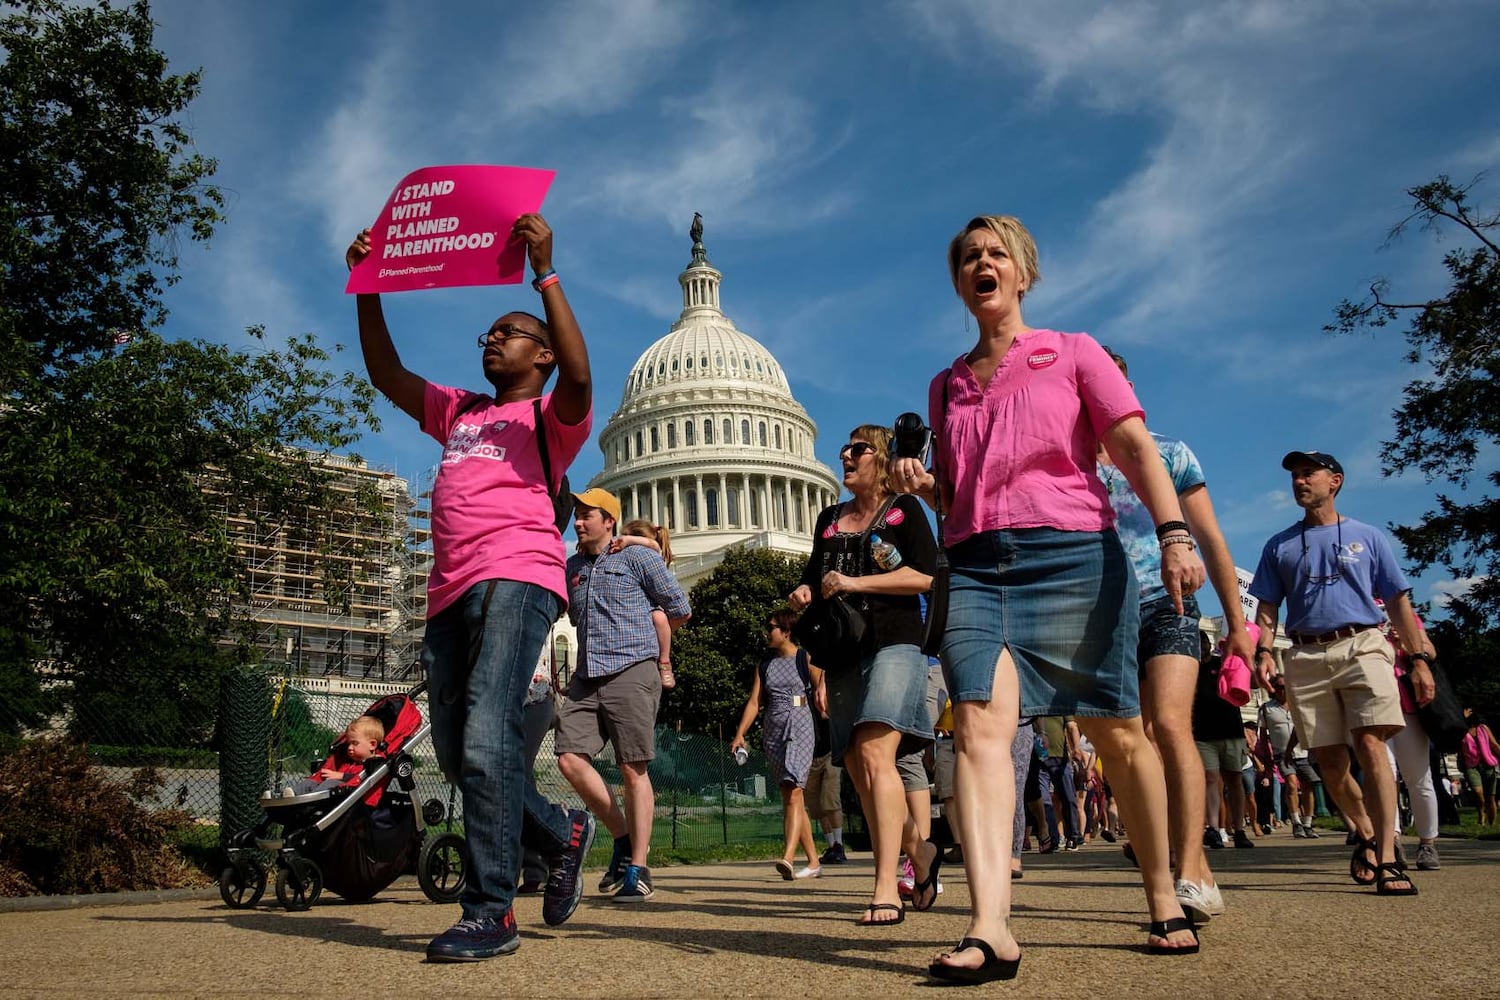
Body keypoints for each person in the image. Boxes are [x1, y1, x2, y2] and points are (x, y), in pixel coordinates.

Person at [895, 215, 1207, 983]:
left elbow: (1131, 446)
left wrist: (1174, 533)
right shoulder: (945, 385)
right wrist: (924, 486)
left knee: (1116, 732)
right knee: (976, 728)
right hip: (974, 564)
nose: (982, 264)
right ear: (959, 282)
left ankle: (1162, 890)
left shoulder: (1074, 352)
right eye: (969, 257)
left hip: (1071, 554)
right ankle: (990, 924)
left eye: (997, 253)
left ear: (1023, 274)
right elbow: (960, 491)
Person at [347, 215, 596, 961]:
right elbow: (388, 376)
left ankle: (492, 910)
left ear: (541, 354)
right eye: (486, 333)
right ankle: (560, 831)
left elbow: (583, 379)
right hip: (449, 593)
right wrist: (368, 288)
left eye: (508, 333)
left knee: (490, 737)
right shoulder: (459, 411)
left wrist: (544, 273)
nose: (491, 340)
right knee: (458, 755)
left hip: (518, 577)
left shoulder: (552, 418)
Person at [1096, 348, 1255, 921]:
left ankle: (1190, 866)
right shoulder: (1066, 465)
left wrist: (1239, 624)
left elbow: (1210, 538)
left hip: (1170, 601)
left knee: (1169, 723)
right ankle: (1174, 857)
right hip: (1101, 614)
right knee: (1126, 739)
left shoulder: (1170, 452)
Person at [1248, 450, 1436, 896]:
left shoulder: (1367, 537)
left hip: (1362, 644)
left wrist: (1419, 659)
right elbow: (1268, 606)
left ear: (1335, 481)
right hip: (1306, 653)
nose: (1299, 481)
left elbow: (1396, 601)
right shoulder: (1278, 545)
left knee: (1371, 741)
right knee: (1329, 761)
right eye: (1294, 475)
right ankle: (1369, 834)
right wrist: (1263, 650)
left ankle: (1389, 857)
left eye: (1308, 473)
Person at [789, 424, 938, 927]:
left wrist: (856, 581)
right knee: (856, 765)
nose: (846, 457)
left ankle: (884, 888)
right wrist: (805, 594)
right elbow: (813, 577)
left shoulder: (904, 510)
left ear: (881, 458)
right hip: (843, 651)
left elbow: (925, 575)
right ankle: (920, 851)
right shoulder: (830, 520)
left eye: (858, 450)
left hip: (895, 642)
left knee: (876, 753)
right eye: (844, 449)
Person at [558, 488, 691, 903]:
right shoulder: (573, 566)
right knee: (568, 758)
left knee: (633, 767)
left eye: (586, 515)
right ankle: (622, 834)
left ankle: (639, 866)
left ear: (609, 520)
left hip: (632, 669)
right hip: (587, 674)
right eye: (576, 515)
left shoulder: (638, 558)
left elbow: (680, 607)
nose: (578, 522)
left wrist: (649, 647)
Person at [731, 608, 824, 880]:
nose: (766, 631)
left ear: (787, 631)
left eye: (771, 626)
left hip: (800, 722)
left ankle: (787, 857)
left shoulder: (805, 657)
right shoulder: (765, 664)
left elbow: (822, 690)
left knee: (794, 790)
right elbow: (754, 702)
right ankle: (814, 862)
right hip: (773, 726)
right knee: (789, 795)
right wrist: (740, 734)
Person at [1379, 606, 1440, 869]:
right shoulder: (1351, 610)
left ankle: (1427, 843)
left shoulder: (1401, 613)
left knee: (1419, 778)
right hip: (1375, 705)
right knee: (1383, 775)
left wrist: (1404, 643)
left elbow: (1430, 651)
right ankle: (1391, 839)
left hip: (1408, 706)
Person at [1191, 635, 1255, 855]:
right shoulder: (1190, 670)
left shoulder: (1224, 663)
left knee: (1234, 780)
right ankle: (1215, 828)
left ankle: (1238, 829)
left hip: (1230, 730)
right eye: (1196, 644)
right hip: (1202, 733)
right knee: (1210, 779)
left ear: (1210, 645)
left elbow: (1249, 681)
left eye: (1203, 643)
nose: (1201, 648)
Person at [610, 519, 678, 690]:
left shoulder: (648, 552)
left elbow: (654, 545)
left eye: (625, 536)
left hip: (650, 609)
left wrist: (630, 541)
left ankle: (664, 662)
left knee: (660, 618)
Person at [288, 716, 384, 795]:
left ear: (372, 745)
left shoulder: (374, 764)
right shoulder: (348, 761)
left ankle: (311, 802)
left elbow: (361, 779)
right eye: (349, 743)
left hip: (347, 795)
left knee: (330, 783)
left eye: (354, 743)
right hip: (333, 789)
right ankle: (292, 794)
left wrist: (341, 776)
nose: (349, 747)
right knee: (310, 782)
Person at [806, 712, 848, 865]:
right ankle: (831, 846)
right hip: (809, 756)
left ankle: (839, 845)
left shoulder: (827, 691)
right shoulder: (800, 697)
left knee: (830, 797)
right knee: (816, 805)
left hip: (831, 752)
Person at [1460, 713, 1500, 826]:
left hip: (1487, 764)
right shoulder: (1461, 730)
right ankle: (1481, 815)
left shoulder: (1483, 728)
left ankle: (1491, 824)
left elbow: (1494, 745)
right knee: (1478, 793)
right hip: (1471, 765)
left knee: (1490, 797)